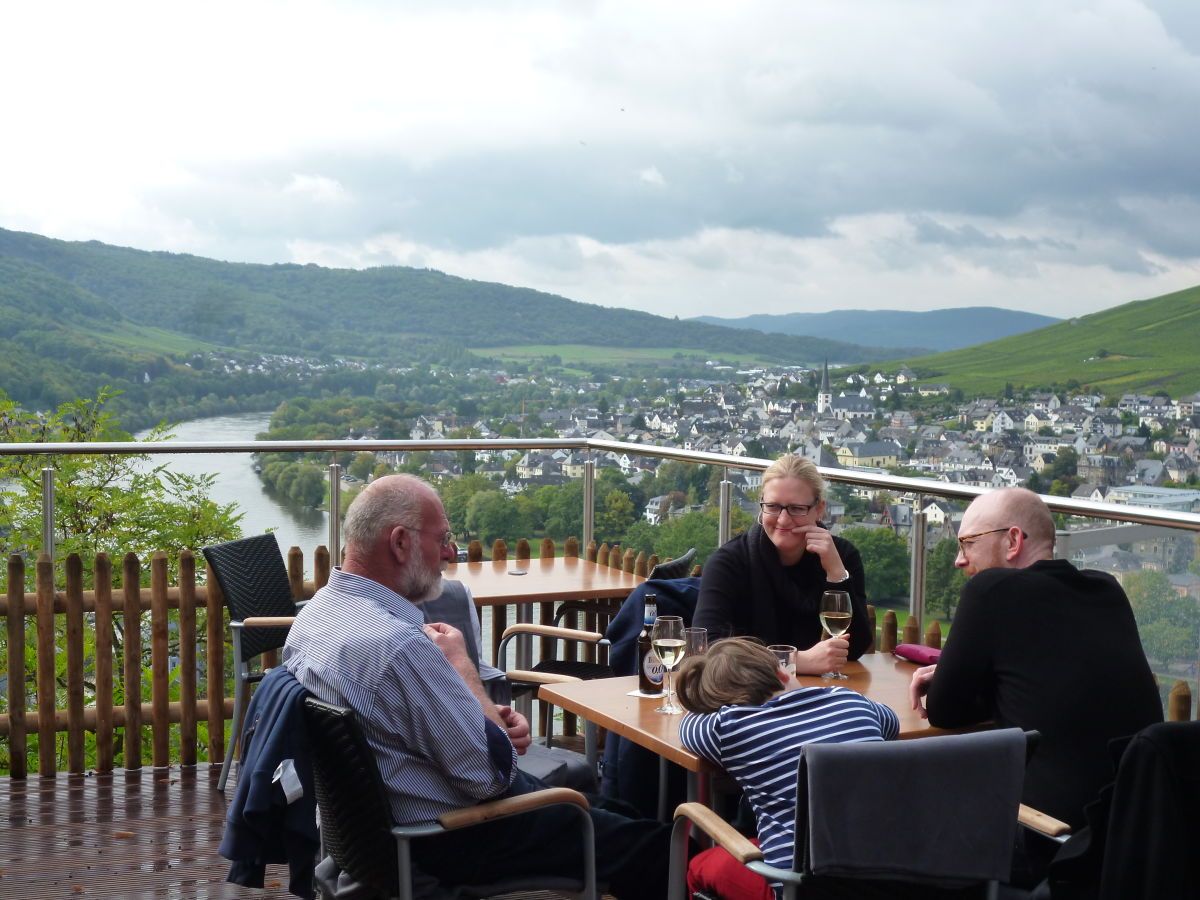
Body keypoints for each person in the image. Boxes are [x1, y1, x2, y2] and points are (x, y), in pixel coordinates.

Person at [284, 474, 670, 898]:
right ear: (400, 543)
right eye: (442, 539)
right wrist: (461, 663)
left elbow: (410, 729)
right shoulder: (397, 647)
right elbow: (490, 776)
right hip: (451, 837)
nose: (451, 552)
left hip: (378, 839)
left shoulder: (315, 618)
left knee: (618, 813)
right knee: (656, 847)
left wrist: (483, 720)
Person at [908, 488, 1163, 837]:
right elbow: (1054, 678)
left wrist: (963, 677)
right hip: (1138, 833)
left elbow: (944, 710)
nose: (959, 560)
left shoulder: (990, 590)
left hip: (1051, 837)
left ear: (1013, 541)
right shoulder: (1107, 589)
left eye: (967, 543)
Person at [677, 638, 900, 900]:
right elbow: (891, 722)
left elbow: (687, 728)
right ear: (783, 673)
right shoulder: (850, 700)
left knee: (699, 865)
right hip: (895, 878)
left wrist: (716, 706)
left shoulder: (730, 727)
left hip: (800, 888)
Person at [694, 454, 871, 675]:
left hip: (816, 690)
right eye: (773, 506)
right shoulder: (729, 563)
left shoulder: (841, 555)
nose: (783, 519)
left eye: (796, 508)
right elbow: (707, 649)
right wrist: (796, 661)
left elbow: (854, 648)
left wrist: (836, 573)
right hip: (749, 691)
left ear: (819, 509)